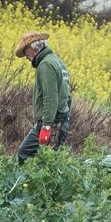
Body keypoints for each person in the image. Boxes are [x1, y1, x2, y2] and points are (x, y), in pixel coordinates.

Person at [14, 31, 69, 160]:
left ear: (32, 49)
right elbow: (67, 95)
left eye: (25, 53)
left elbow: (50, 97)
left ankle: (25, 180)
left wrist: (47, 126)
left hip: (53, 123)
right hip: (59, 121)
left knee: (27, 156)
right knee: (46, 161)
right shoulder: (57, 61)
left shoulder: (45, 65)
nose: (26, 57)